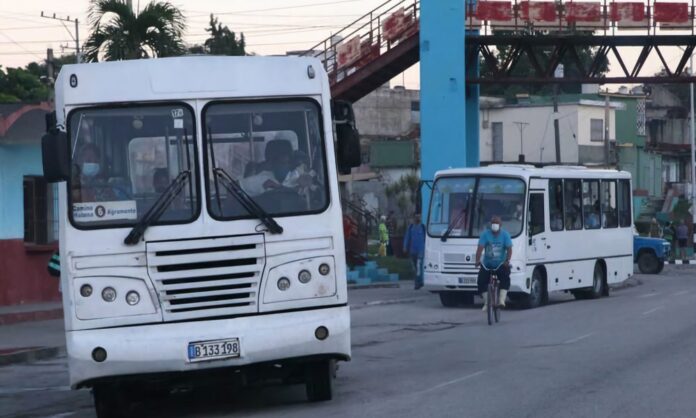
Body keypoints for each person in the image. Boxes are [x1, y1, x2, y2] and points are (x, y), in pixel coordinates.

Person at [475, 215, 513, 310]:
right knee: (481, 280)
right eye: (493, 223)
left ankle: (501, 300)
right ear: (490, 224)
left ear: (500, 225)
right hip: (487, 264)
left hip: (500, 264)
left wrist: (507, 261)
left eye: (497, 223)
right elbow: (480, 249)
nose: (495, 225)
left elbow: (509, 249)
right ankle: (487, 302)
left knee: (505, 277)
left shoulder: (505, 235)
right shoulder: (485, 234)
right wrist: (477, 260)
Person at [403, 212, 426, 290]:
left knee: (419, 267)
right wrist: (405, 247)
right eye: (416, 217)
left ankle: (419, 282)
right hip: (412, 251)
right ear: (414, 218)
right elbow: (407, 237)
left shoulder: (423, 227)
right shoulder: (411, 228)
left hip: (421, 251)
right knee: (415, 268)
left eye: (419, 217)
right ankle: (418, 282)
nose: (417, 218)